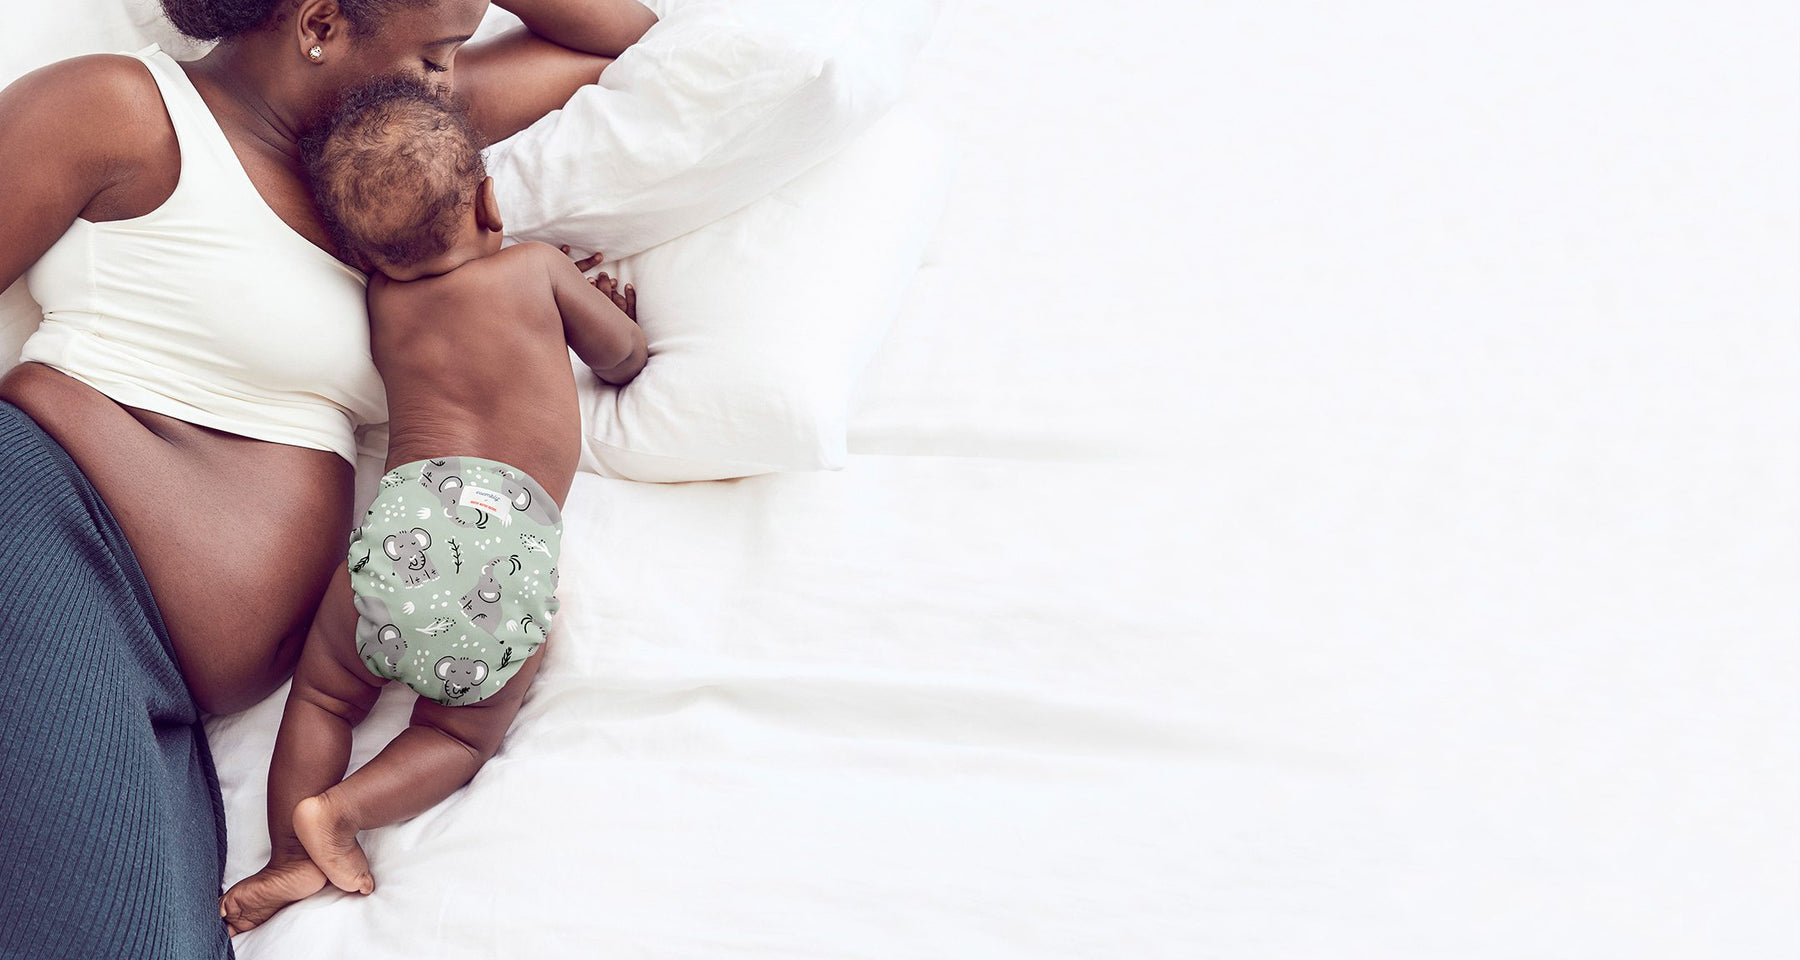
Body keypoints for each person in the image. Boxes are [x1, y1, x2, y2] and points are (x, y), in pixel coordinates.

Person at [0, 0, 657, 955]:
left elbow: (613, 32)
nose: (449, 80)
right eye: (436, 52)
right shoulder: (122, 106)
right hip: (55, 546)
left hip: (172, 686)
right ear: (319, 22)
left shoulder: (405, 153)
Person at [219, 74, 645, 932]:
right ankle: (342, 813)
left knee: (326, 699)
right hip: (506, 544)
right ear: (490, 201)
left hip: (405, 527)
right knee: (457, 734)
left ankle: (292, 857)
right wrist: (613, 312)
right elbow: (624, 358)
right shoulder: (536, 272)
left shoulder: (385, 303)